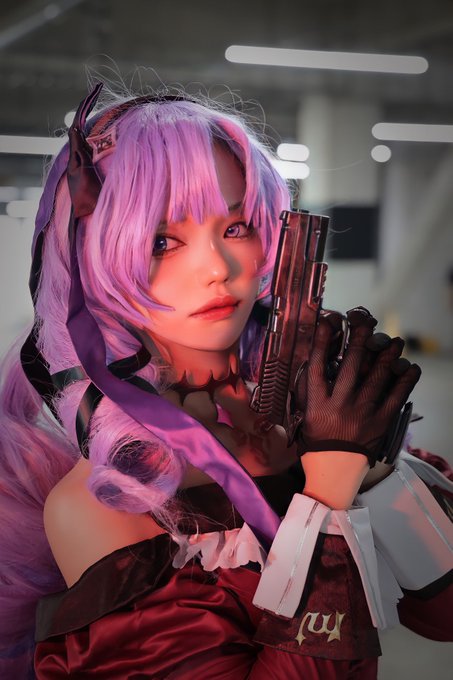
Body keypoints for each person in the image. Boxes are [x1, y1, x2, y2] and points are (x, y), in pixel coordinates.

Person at [0, 83, 452, 680]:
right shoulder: (103, 503)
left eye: (236, 227)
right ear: (94, 262)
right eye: (163, 241)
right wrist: (327, 497)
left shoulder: (303, 411)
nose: (218, 267)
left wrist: (378, 469)